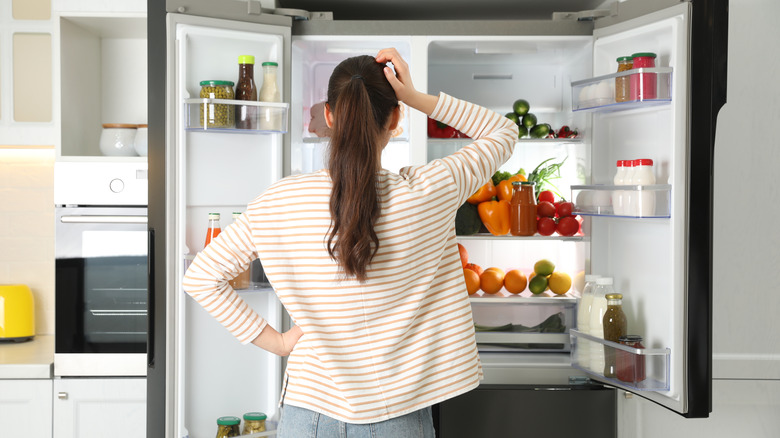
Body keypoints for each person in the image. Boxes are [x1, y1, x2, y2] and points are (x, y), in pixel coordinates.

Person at [182, 47, 518, 437]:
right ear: (395, 119)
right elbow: (503, 131)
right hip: (400, 416)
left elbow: (201, 278)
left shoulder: (279, 201)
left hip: (307, 415)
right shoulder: (431, 191)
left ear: (328, 115)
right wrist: (413, 96)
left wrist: (279, 342)